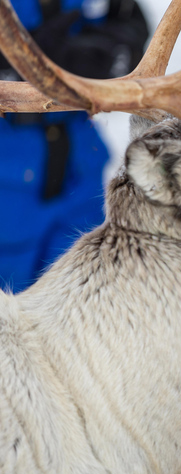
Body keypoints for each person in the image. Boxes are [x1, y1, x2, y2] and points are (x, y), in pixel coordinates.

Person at [0, 0, 148, 293]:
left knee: (84, 293)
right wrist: (30, 64)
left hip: (82, 171)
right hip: (9, 174)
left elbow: (128, 20)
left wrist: (113, 51)